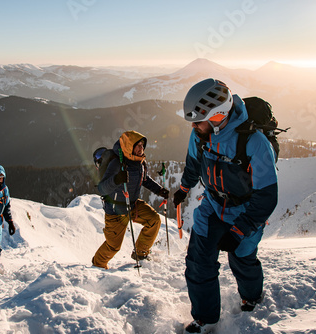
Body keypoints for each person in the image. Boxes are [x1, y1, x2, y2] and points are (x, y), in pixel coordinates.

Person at [173, 79, 278, 333]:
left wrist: (240, 230)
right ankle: (205, 318)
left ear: (218, 116)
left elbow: (266, 197)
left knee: (241, 257)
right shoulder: (201, 134)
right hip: (212, 205)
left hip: (246, 210)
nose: (194, 127)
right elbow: (194, 163)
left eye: (198, 121)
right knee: (198, 260)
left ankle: (251, 297)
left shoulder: (254, 142)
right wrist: (184, 189)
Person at [92, 130, 169, 269]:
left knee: (154, 220)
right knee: (113, 247)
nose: (141, 148)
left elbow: (144, 179)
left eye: (142, 145)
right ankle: (97, 266)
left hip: (132, 205)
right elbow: (102, 188)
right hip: (115, 210)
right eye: (137, 145)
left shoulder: (139, 162)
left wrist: (159, 190)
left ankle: (141, 254)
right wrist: (116, 179)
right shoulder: (116, 163)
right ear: (128, 146)